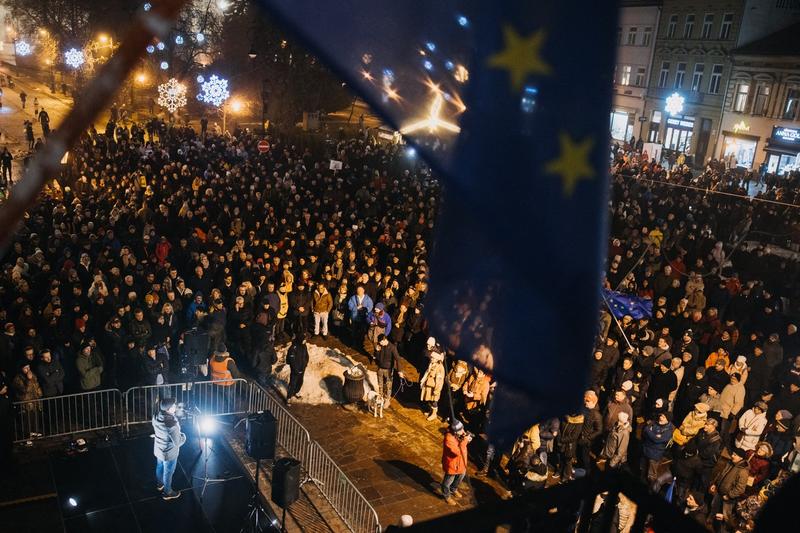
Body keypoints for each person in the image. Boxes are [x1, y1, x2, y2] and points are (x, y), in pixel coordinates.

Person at [152, 398, 186, 500]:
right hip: (169, 453)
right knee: (168, 472)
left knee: (159, 466)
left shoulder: (156, 416)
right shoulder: (171, 424)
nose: (175, 406)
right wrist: (184, 436)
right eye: (174, 405)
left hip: (159, 448)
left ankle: (159, 484)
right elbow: (178, 442)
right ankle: (168, 492)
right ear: (169, 409)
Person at [440, 419, 471, 506]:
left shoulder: (459, 434)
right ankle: (446, 496)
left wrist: (466, 440)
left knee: (460, 477)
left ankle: (453, 489)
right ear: (455, 431)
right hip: (452, 465)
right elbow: (457, 451)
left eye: (463, 429)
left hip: (462, 463)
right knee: (448, 481)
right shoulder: (448, 439)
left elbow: (462, 445)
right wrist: (465, 441)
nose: (463, 431)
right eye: (461, 430)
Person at [419, 348, 445, 421]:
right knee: (429, 400)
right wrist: (423, 381)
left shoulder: (440, 368)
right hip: (428, 386)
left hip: (434, 388)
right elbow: (427, 373)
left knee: (434, 401)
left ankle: (434, 414)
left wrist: (436, 390)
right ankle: (430, 411)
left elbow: (439, 381)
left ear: (437, 359)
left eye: (433, 358)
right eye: (431, 357)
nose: (431, 358)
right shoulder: (431, 364)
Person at [286, 335, 310, 403]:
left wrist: (305, 364)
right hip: (295, 369)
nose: (305, 340)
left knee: (300, 382)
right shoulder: (293, 347)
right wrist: (295, 369)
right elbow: (291, 360)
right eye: (304, 339)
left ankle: (296, 392)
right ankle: (289, 397)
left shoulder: (304, 346)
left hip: (302, 368)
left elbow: (307, 356)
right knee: (292, 383)